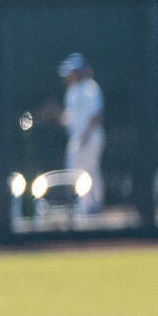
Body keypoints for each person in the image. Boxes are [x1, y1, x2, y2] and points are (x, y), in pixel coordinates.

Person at [58, 53, 105, 214]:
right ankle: (84, 205)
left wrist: (85, 134)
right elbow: (69, 119)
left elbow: (96, 114)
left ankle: (95, 205)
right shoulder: (71, 92)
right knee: (76, 171)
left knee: (91, 169)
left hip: (91, 137)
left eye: (72, 72)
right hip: (78, 138)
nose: (69, 76)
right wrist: (56, 117)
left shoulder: (90, 87)